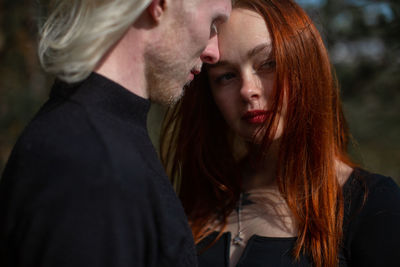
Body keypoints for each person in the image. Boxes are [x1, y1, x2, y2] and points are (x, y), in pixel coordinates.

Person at [160, 0, 400, 266]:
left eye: (268, 64)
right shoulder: (203, 195)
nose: (247, 90)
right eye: (226, 76)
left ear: (306, 65)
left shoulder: (373, 205)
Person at [0, 0, 231, 266]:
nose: (214, 52)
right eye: (213, 23)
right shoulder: (90, 163)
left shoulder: (99, 139)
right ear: (159, 5)